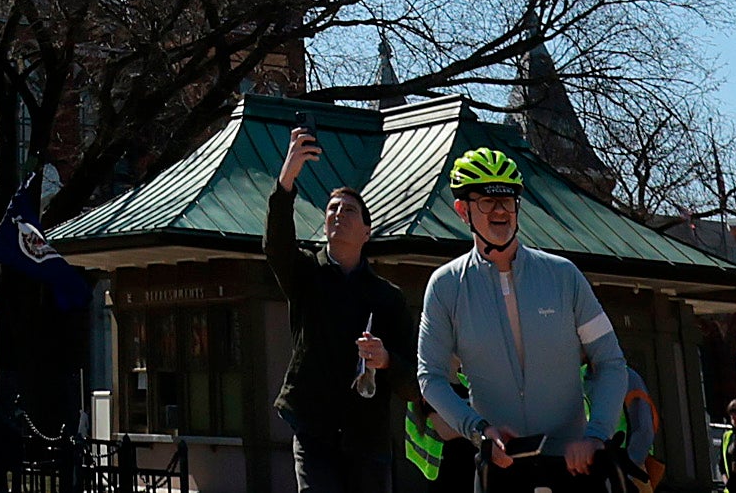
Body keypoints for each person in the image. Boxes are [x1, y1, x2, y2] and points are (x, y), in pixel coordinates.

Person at [416, 147, 629, 493]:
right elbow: (431, 377)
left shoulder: (564, 276)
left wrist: (596, 434)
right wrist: (479, 430)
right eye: (487, 201)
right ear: (462, 210)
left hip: (575, 464)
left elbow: (610, 361)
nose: (500, 210)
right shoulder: (445, 287)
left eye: (508, 200)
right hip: (501, 465)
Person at [269, 128, 424, 493]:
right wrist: (287, 180)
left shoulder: (388, 297)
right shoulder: (306, 274)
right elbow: (276, 244)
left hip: (367, 440)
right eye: (332, 209)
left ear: (367, 233)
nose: (339, 214)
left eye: (350, 210)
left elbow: (414, 380)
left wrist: (385, 360)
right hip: (313, 431)